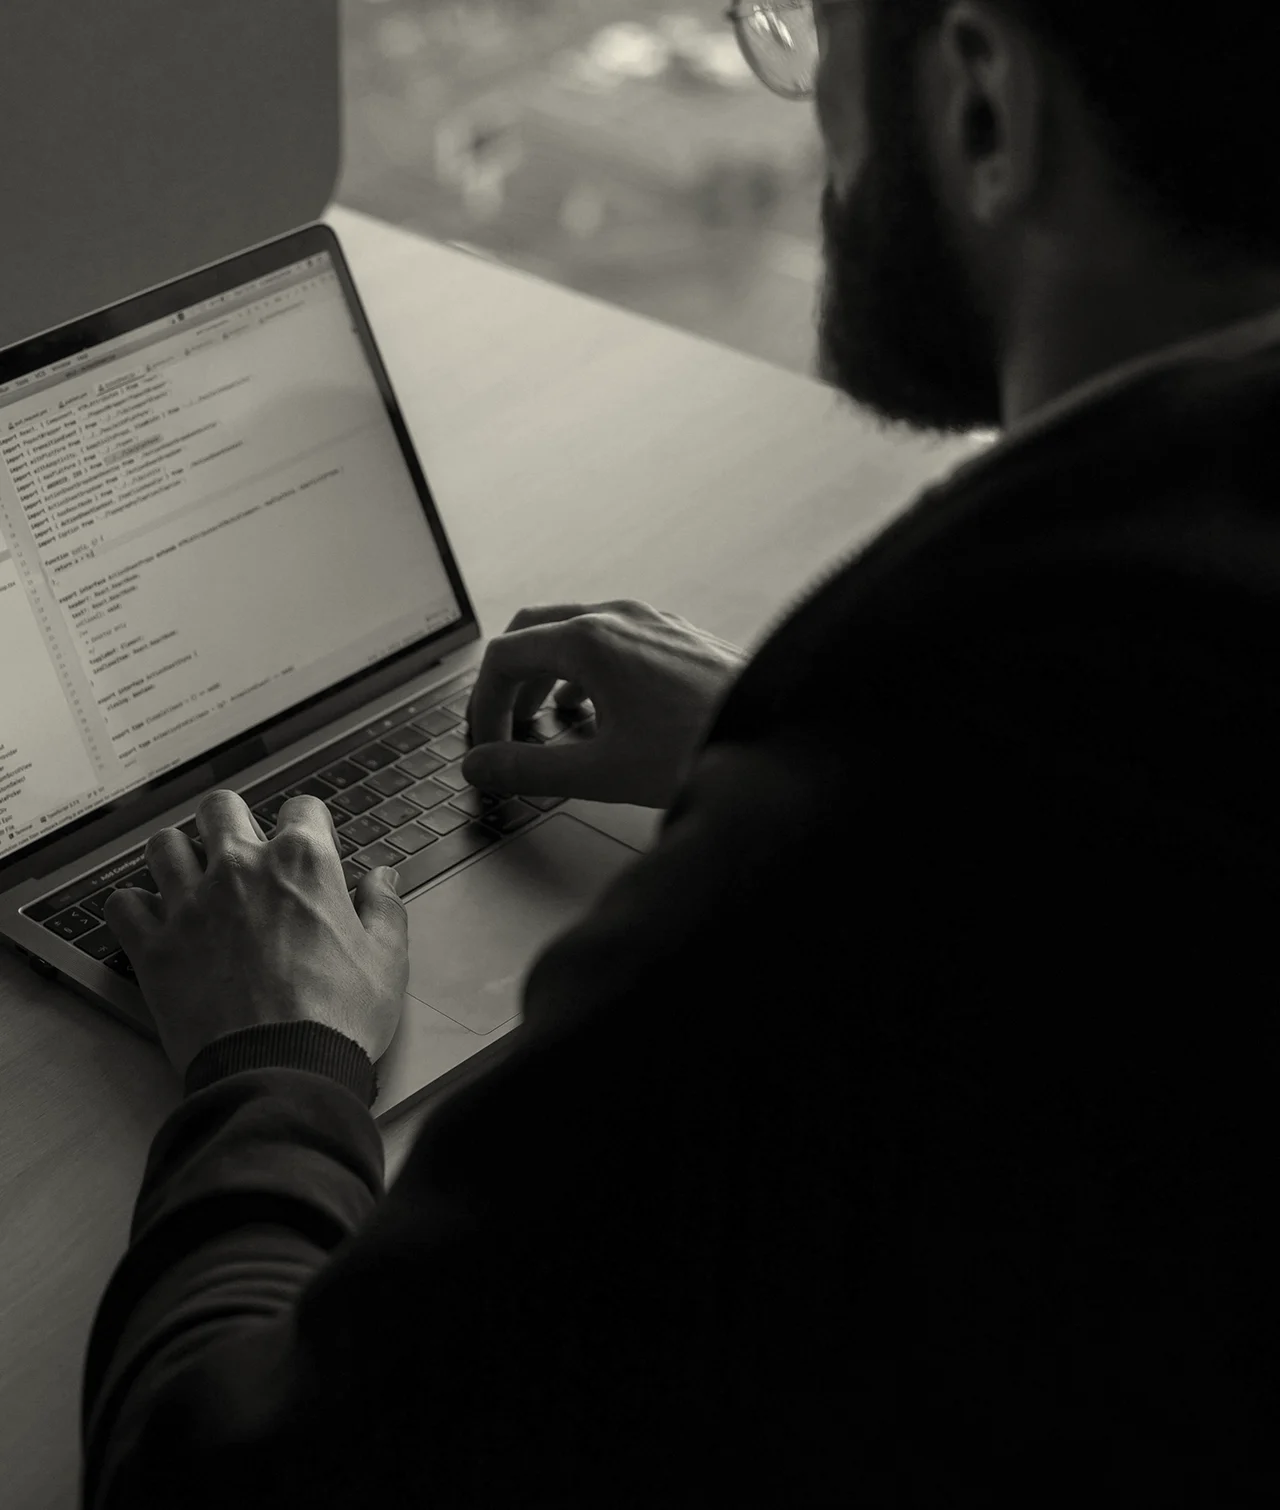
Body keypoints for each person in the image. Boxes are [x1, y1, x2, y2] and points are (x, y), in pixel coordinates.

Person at [81, 3, 1280, 1504]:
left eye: (814, 31)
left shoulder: (935, 781)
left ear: (985, 105)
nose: (806, 107)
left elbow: (229, 1482)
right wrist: (771, 736)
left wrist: (274, 1055)